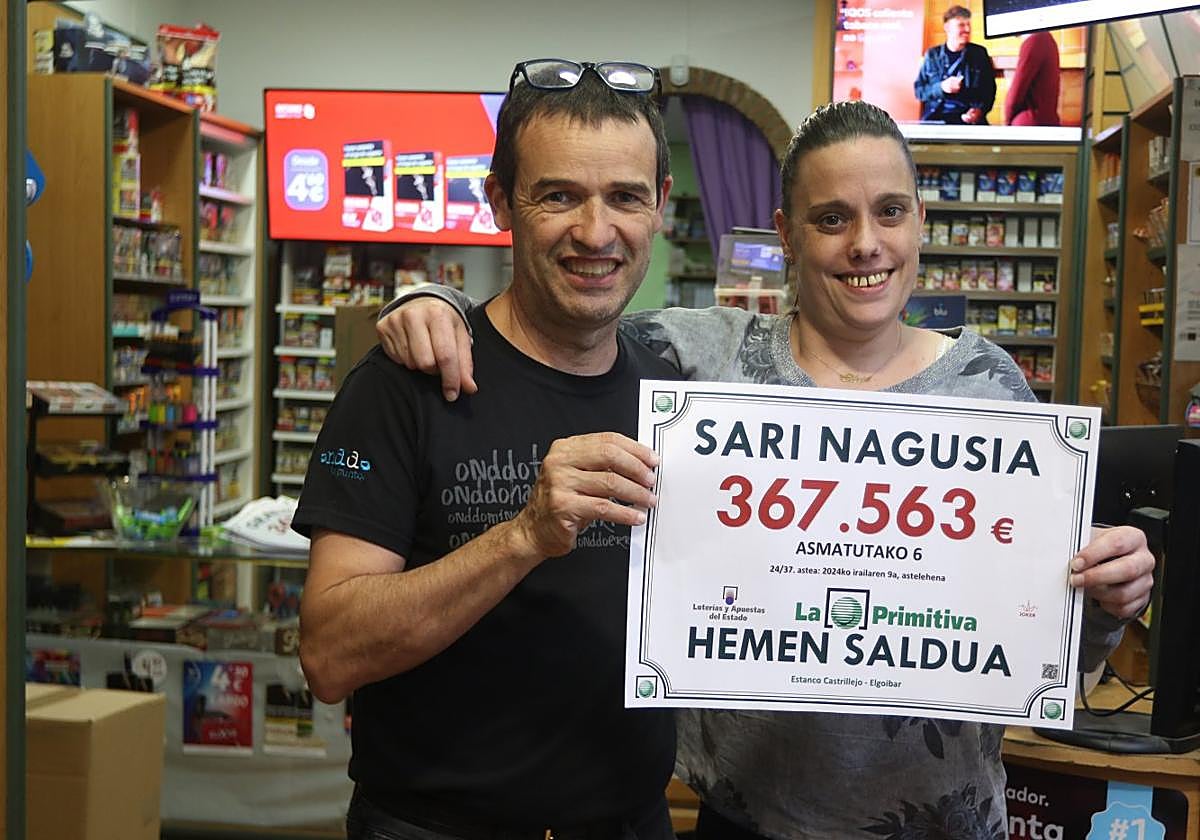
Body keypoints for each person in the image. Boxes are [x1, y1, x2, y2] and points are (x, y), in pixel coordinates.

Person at [375, 100, 1156, 839]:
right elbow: (565, 313)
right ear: (786, 232)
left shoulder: (991, 387)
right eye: (830, 218)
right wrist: (436, 300)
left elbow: (1047, 649)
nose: (865, 244)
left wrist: (1108, 597)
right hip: (746, 819)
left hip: (945, 822)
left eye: (890, 210)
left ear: (921, 219)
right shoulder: (701, 356)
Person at [294, 58, 682, 840]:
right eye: (560, 196)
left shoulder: (680, 396)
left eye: (625, 197)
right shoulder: (405, 383)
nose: (596, 232)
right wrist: (524, 536)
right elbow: (330, 654)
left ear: (660, 208)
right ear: (501, 200)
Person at [914, 5, 997, 125]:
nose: (967, 29)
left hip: (969, 122)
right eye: (961, 25)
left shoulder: (979, 54)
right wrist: (941, 87)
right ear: (947, 27)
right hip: (936, 119)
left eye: (969, 25)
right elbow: (919, 91)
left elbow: (989, 91)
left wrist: (979, 111)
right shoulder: (932, 55)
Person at [1005, 30, 1061, 126]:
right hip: (1047, 122)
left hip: (1030, 124)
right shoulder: (1046, 38)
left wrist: (1007, 123)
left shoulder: (1034, 41)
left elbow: (1015, 94)